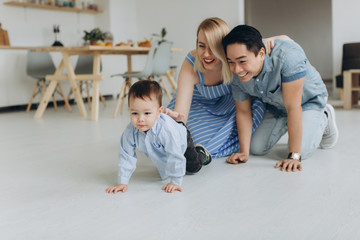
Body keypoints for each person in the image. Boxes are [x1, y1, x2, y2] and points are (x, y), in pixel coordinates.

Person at [165, 17, 291, 158]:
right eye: (201, 46)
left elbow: (286, 39)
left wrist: (267, 40)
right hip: (198, 106)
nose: (206, 54)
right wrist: (174, 134)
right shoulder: (192, 62)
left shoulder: (234, 58)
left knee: (207, 145)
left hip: (231, 107)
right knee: (187, 140)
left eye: (213, 47)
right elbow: (181, 112)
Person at [222, 25, 339, 172]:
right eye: (231, 62)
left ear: (261, 54)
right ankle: (291, 125)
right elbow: (243, 112)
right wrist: (244, 153)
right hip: (277, 106)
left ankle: (325, 115)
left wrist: (294, 156)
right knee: (256, 148)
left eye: (242, 61)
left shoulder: (288, 56)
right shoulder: (236, 75)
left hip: (307, 102)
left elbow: (293, 107)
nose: (236, 69)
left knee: (301, 151)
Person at [106, 80, 212, 194]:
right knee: (165, 161)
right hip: (165, 141)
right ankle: (174, 119)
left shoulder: (166, 131)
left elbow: (175, 154)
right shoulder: (130, 132)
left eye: (147, 113)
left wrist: (175, 181)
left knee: (193, 167)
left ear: (159, 112)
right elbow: (126, 156)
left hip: (181, 137)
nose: (140, 119)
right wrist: (122, 182)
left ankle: (201, 153)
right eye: (135, 113)